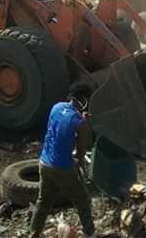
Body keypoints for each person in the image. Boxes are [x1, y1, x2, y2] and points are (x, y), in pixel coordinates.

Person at [29, 82, 96, 238]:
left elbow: (58, 130)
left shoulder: (56, 107)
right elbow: (80, 154)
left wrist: (81, 119)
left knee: (43, 202)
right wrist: (84, 125)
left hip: (44, 163)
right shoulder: (79, 122)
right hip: (62, 168)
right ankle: (90, 234)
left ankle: (34, 234)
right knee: (82, 201)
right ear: (82, 99)